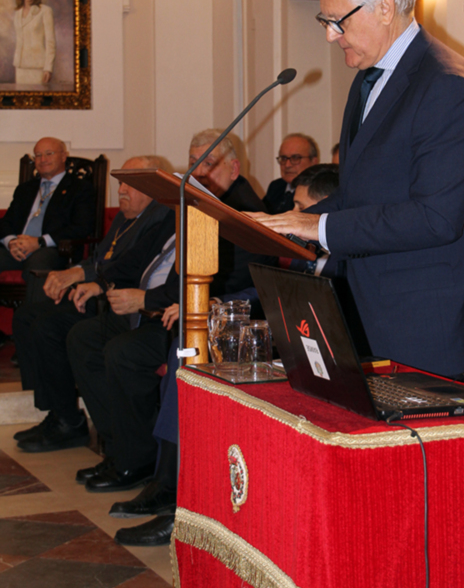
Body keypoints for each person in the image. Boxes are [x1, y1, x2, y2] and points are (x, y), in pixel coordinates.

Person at [248, 0, 464, 379]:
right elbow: (362, 192)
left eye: (337, 21)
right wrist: (287, 225)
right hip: (364, 304)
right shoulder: (369, 77)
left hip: (419, 318)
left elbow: (436, 218)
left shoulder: (446, 85)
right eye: (324, 21)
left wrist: (319, 226)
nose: (329, 35)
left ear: (385, 7)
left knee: (405, 450)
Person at [109, 164, 341, 547]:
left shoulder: (344, 250)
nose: (289, 215)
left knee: (199, 352)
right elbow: (271, 290)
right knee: (189, 345)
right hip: (287, 333)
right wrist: (216, 303)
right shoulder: (309, 248)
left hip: (315, 350)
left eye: (298, 207)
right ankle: (174, 487)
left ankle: (182, 494)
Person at [66, 130, 272, 495]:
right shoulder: (194, 202)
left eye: (208, 164)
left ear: (234, 168)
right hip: (175, 308)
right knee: (85, 337)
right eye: (195, 165)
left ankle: (147, 465)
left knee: (124, 352)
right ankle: (121, 449)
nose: (200, 175)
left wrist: (157, 302)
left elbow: (242, 284)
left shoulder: (244, 211)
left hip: (207, 320)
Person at [11, 157, 175, 453]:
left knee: (47, 326)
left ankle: (73, 423)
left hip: (115, 301)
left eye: (130, 183)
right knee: (26, 317)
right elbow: (100, 258)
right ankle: (60, 413)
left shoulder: (159, 217)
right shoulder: (127, 217)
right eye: (120, 183)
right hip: (101, 292)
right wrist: (74, 274)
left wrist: (84, 277)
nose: (121, 190)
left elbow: (125, 267)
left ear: (152, 188)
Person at [0, 137, 96, 297]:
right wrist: (11, 242)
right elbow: (6, 222)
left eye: (49, 153)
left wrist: (39, 242)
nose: (42, 159)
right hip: (17, 249)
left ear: (63, 156)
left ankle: (32, 319)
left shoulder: (80, 188)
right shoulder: (25, 189)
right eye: (38, 155)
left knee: (39, 262)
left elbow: (81, 227)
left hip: (54, 249)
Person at [13, 0, 56, 85]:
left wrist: (48, 68)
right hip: (20, 67)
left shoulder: (45, 11)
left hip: (38, 68)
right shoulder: (17, 13)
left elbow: (50, 42)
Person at [262, 133, 319, 214]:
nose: (287, 165)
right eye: (284, 158)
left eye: (295, 158)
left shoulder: (316, 192)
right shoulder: (276, 186)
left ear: (313, 162)